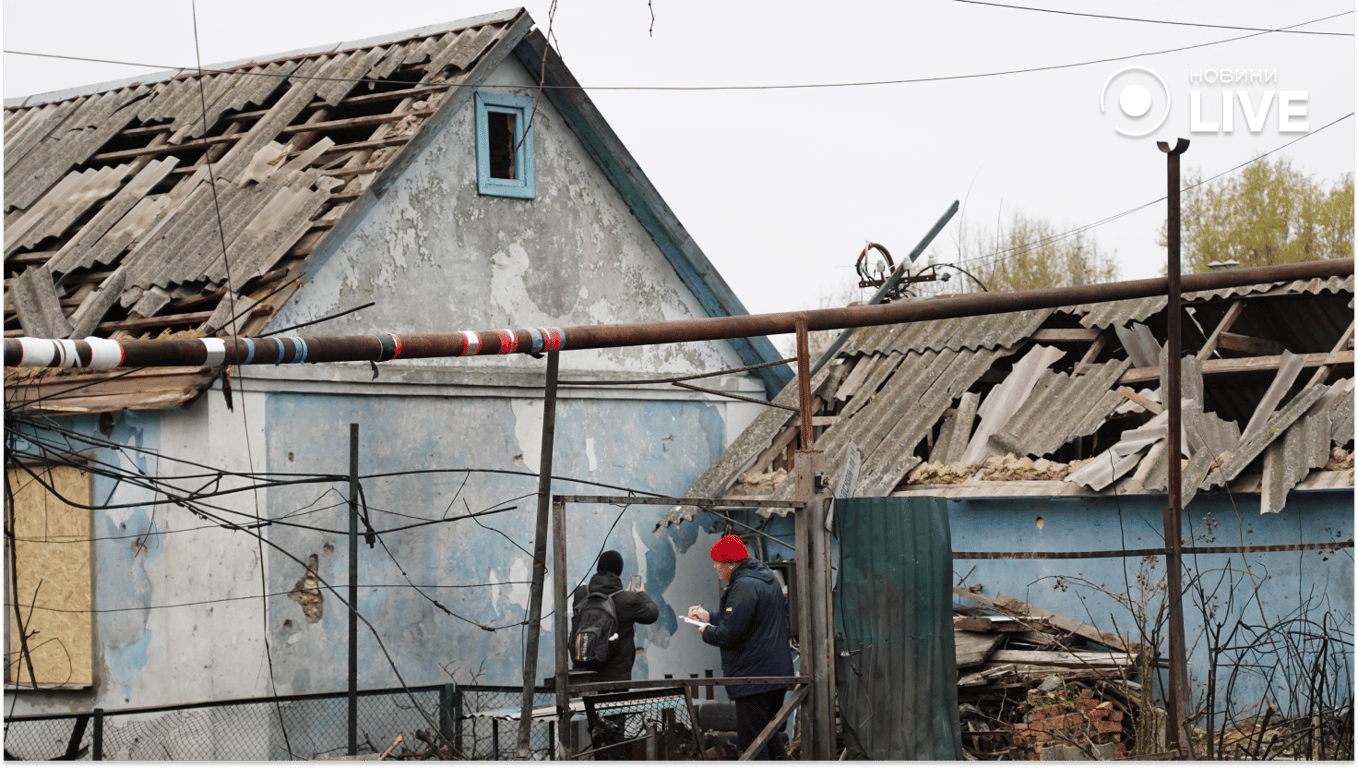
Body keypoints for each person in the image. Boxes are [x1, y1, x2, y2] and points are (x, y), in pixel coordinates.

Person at [688, 534, 794, 761]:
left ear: (731, 563)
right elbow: (746, 620)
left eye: (718, 562)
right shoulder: (765, 579)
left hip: (753, 678)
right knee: (768, 735)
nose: (715, 566)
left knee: (753, 742)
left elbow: (730, 634)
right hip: (774, 675)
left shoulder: (743, 587)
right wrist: (711, 617)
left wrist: (704, 630)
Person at [571, 549, 659, 682]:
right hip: (615, 677)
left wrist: (625, 597)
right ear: (619, 574)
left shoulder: (580, 594)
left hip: (585, 672)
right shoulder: (628, 600)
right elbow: (652, 613)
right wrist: (640, 594)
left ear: (598, 568)